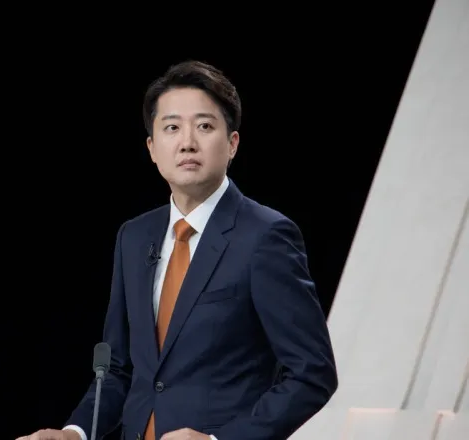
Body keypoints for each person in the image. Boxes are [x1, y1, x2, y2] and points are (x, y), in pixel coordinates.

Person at [17, 60, 338, 440]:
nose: (187, 142)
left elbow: (312, 373)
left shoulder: (266, 236)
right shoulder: (134, 237)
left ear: (232, 144)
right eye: (172, 128)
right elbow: (119, 370)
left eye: (204, 126)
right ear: (152, 148)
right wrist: (75, 433)